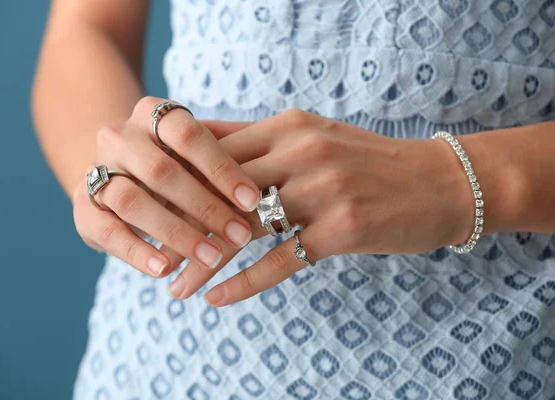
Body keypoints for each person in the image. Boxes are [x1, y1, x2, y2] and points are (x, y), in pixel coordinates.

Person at [32, 0, 555, 398]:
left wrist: (456, 179)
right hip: (160, 353)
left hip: (493, 350)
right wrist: (115, 183)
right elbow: (86, 30)